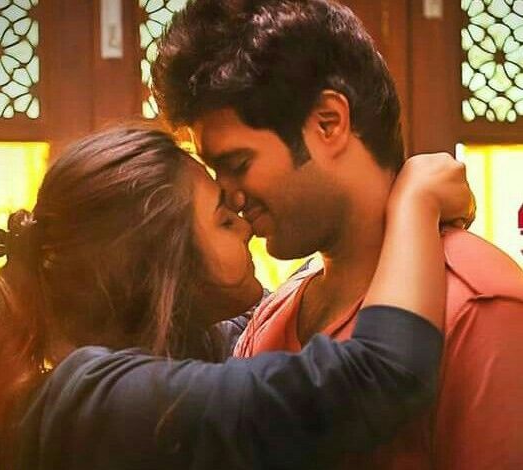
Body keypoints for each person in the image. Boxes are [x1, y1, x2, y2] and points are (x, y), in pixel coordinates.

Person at [0, 125, 473, 470]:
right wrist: (415, 204)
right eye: (223, 219)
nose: (245, 224)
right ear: (161, 267)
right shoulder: (99, 402)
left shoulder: (182, 349)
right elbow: (376, 378)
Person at [152, 1, 523, 468]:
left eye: (238, 164)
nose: (228, 196)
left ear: (329, 123)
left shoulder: (478, 307)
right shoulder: (273, 316)